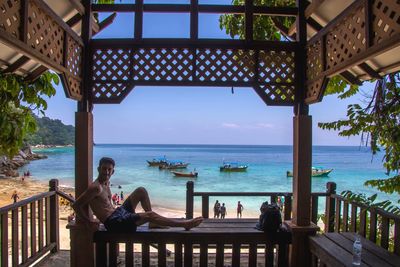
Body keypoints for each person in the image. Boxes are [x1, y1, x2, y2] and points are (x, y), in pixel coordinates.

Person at [72, 157, 203, 232]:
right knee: (150, 215)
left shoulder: (106, 183)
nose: (106, 172)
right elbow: (76, 205)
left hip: (118, 213)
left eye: (109, 169)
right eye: (104, 169)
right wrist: (89, 221)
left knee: (141, 190)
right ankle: (185, 224)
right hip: (113, 223)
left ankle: (153, 223)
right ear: (98, 169)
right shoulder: (95, 188)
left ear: (113, 172)